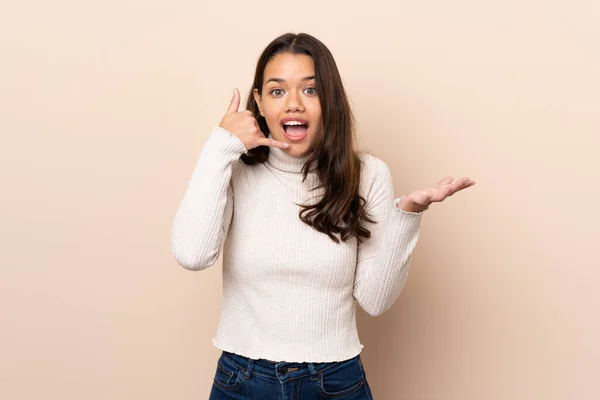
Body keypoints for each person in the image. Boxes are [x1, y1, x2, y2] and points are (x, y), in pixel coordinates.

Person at [171, 32, 475, 400]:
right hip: (243, 380)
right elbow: (192, 254)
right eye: (278, 91)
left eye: (310, 90)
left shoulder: (367, 174)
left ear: (330, 100)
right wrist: (221, 144)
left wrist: (408, 214)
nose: (294, 104)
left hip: (335, 382)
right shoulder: (233, 170)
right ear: (259, 103)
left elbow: (375, 300)